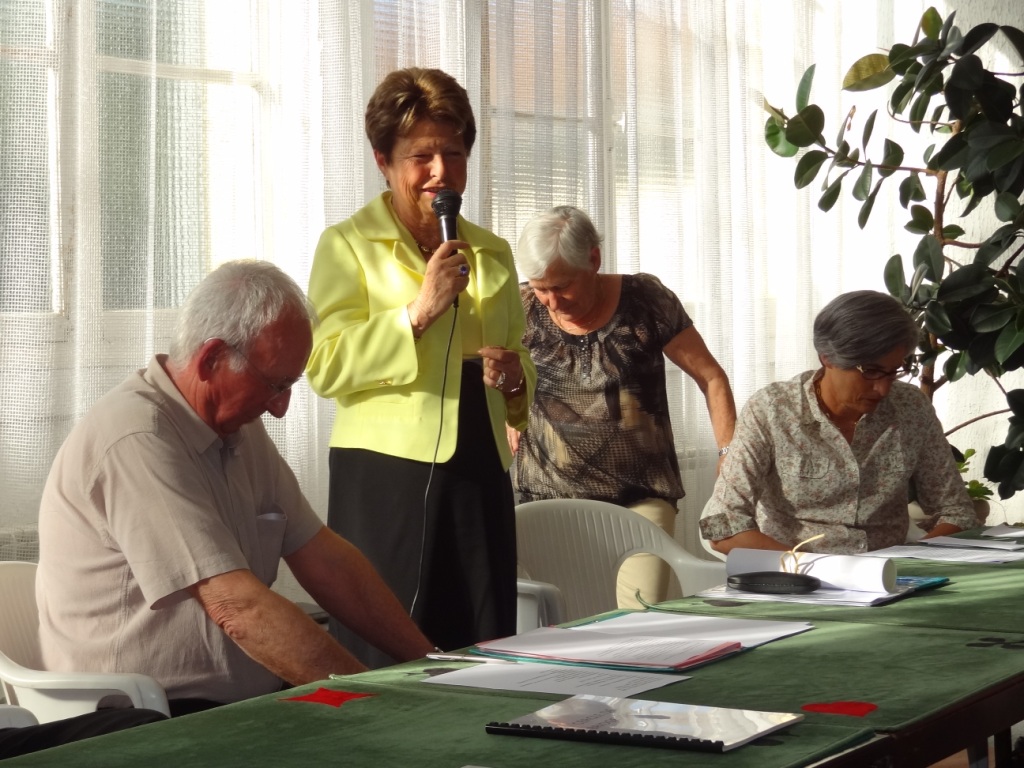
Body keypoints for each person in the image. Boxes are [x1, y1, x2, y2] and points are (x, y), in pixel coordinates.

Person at [36, 260, 435, 716]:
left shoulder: (236, 427)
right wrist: (376, 706)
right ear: (211, 359)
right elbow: (237, 608)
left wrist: (433, 666)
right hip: (139, 718)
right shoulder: (138, 437)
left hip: (232, 706)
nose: (281, 409)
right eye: (275, 385)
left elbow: (324, 557)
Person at [305, 68, 535, 668]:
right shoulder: (346, 245)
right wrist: (416, 313)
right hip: (384, 472)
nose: (440, 172)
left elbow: (520, 361)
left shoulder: (492, 251)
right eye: (421, 157)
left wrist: (516, 380)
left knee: (482, 639)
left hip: (479, 463)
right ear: (383, 161)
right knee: (389, 644)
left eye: (454, 154)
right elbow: (324, 365)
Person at [511, 206, 736, 609]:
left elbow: (711, 377)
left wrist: (728, 452)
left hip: (640, 500)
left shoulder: (645, 301)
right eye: (541, 288)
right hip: (548, 502)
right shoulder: (522, 306)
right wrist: (509, 411)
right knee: (560, 624)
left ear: (594, 259)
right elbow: (494, 376)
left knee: (636, 620)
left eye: (562, 286)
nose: (552, 301)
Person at [700, 290, 977, 556]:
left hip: (890, 574)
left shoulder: (911, 407)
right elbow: (722, 526)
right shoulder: (773, 410)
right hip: (796, 573)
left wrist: (910, 562)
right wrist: (811, 568)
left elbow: (957, 512)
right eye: (870, 372)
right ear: (827, 358)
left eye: (894, 372)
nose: (883, 389)